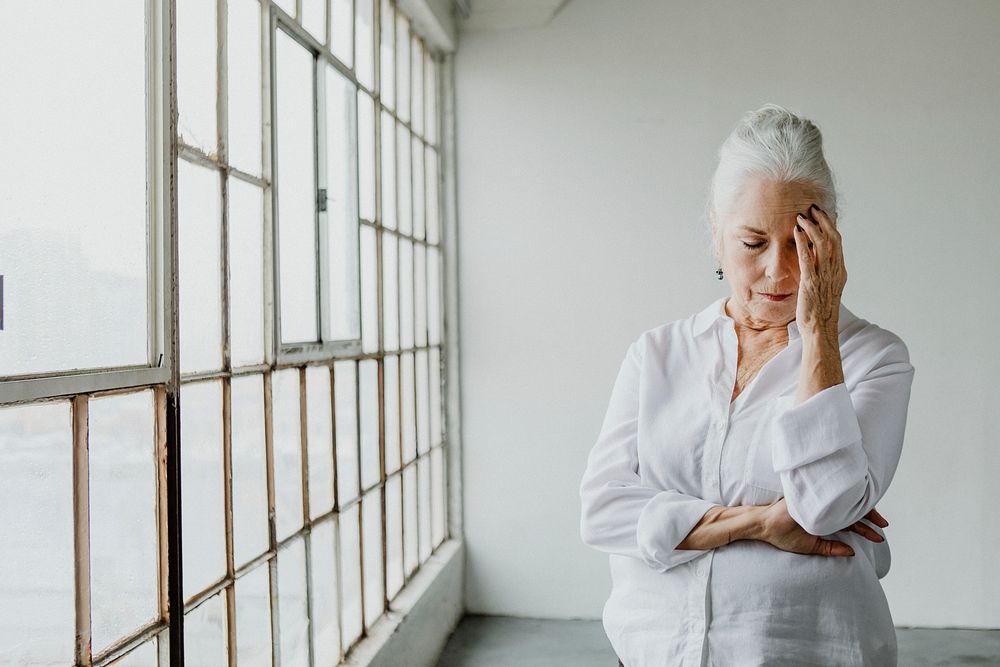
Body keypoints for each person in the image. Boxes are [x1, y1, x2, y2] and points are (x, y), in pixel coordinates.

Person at [579, 104, 915, 667]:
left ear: (830, 241)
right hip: (650, 650)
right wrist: (762, 521)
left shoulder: (873, 356)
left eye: (801, 242)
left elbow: (826, 509)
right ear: (716, 233)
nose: (779, 272)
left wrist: (818, 331)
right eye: (753, 242)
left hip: (806, 652)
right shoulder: (658, 354)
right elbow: (603, 511)